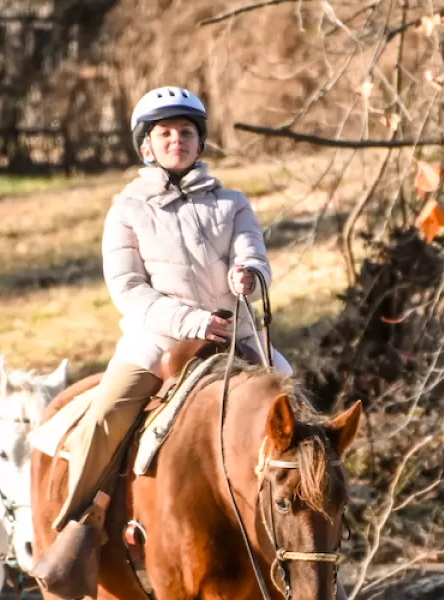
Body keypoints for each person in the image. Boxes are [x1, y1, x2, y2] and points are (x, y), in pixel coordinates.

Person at [45, 86, 288, 549]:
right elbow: (128, 290)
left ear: (199, 143)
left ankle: (314, 538)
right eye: (165, 133)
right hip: (155, 342)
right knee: (104, 417)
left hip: (235, 336)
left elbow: (253, 253)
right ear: (147, 146)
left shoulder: (232, 203)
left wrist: (250, 275)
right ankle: (76, 531)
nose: (177, 140)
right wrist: (193, 324)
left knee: (299, 411)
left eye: (186, 132)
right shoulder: (126, 211)